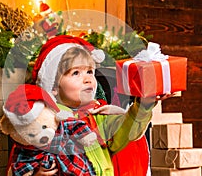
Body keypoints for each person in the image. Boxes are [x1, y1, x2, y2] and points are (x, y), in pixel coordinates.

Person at [30, 35, 173, 176]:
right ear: (53, 87)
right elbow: (24, 159)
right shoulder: (45, 120)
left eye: (89, 71)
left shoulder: (98, 115)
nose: (87, 79)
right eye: (75, 73)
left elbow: (127, 131)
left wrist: (144, 104)